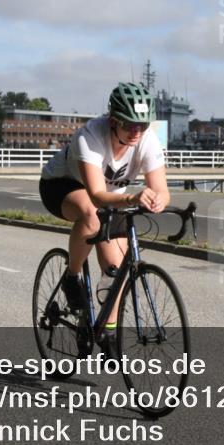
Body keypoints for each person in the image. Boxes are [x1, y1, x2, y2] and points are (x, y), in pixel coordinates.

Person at [38, 82, 168, 335]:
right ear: (113, 120)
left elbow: (161, 188)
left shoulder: (147, 140)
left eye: (142, 125)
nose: (136, 132)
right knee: (90, 213)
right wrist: (133, 199)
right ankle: (71, 277)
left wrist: (159, 200)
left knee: (116, 270)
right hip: (62, 185)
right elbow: (97, 196)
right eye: (129, 124)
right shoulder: (90, 136)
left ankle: (107, 329)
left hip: (111, 198)